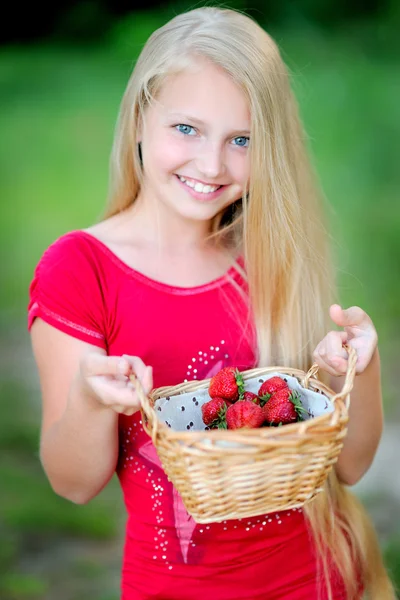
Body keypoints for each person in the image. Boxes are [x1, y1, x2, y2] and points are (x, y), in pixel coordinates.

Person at [27, 6, 395, 600]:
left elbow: (349, 466)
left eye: (242, 140)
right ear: (141, 117)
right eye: (187, 129)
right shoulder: (81, 270)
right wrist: (88, 399)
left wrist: (359, 367)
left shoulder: (269, 254)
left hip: (320, 579)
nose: (211, 164)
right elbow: (72, 483)